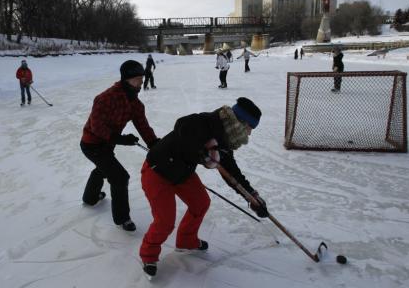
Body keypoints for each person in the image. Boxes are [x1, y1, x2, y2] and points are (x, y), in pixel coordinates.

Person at [139, 97, 269, 277]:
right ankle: (148, 255)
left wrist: (252, 197)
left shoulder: (225, 141)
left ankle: (186, 240)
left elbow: (233, 174)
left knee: (201, 202)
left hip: (182, 172)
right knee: (165, 221)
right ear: (240, 122)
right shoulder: (207, 121)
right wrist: (200, 149)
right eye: (249, 128)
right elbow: (182, 126)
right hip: (157, 171)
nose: (249, 134)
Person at [80, 60, 159, 232]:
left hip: (107, 144)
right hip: (92, 144)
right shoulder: (105, 98)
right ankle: (123, 218)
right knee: (119, 177)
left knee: (102, 169)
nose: (140, 83)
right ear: (125, 79)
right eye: (136, 80)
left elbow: (143, 125)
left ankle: (89, 198)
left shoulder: (135, 103)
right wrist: (120, 139)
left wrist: (154, 143)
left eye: (141, 79)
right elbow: (97, 127)